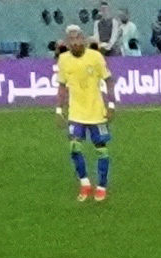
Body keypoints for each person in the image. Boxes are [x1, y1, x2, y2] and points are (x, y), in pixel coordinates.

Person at [55, 25, 115, 202]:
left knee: (102, 150)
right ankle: (85, 183)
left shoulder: (95, 57)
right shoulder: (64, 60)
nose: (75, 42)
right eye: (71, 40)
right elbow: (62, 86)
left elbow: (108, 81)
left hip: (97, 112)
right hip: (76, 113)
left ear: (83, 39)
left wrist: (111, 104)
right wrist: (59, 110)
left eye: (77, 38)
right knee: (74, 148)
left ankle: (102, 186)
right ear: (67, 42)